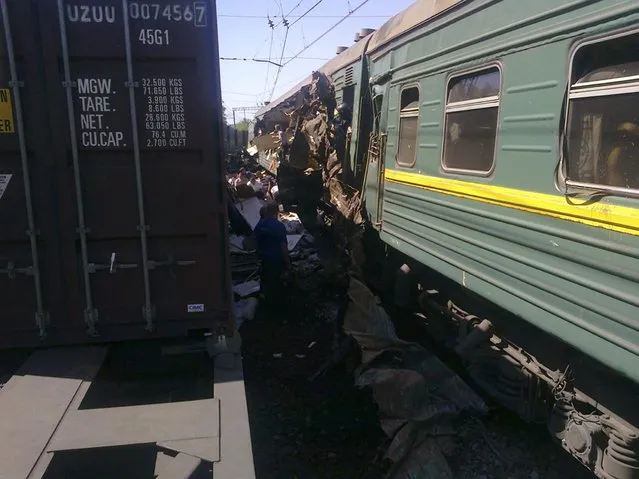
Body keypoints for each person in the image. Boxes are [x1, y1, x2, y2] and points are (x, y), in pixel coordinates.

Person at [254, 200, 292, 312]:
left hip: (263, 260)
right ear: (277, 211)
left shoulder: (260, 225)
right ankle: (277, 310)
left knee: (265, 282)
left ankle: (265, 306)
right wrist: (288, 264)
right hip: (276, 261)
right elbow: (283, 247)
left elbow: (254, 243)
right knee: (277, 286)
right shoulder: (279, 226)